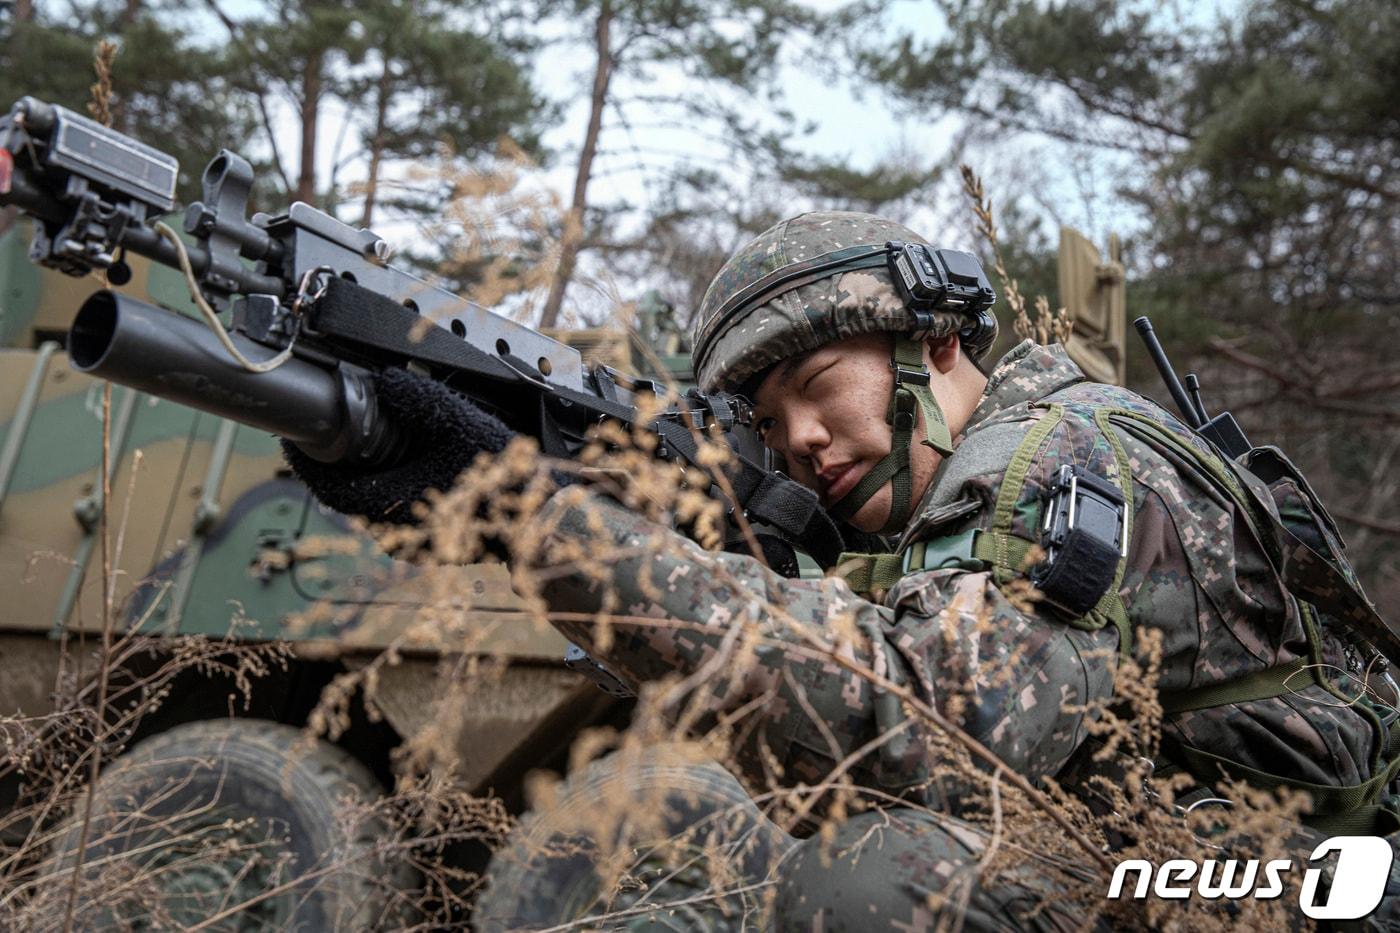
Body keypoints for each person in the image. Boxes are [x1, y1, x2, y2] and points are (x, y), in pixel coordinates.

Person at [285, 211, 1399, 929]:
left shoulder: (1051, 455)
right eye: (769, 426)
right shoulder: (938, 505)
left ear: (938, 345)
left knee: (882, 877)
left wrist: (547, 524)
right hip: (1184, 851)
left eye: (821, 383)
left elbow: (932, 733)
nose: (802, 440)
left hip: (1301, 882)